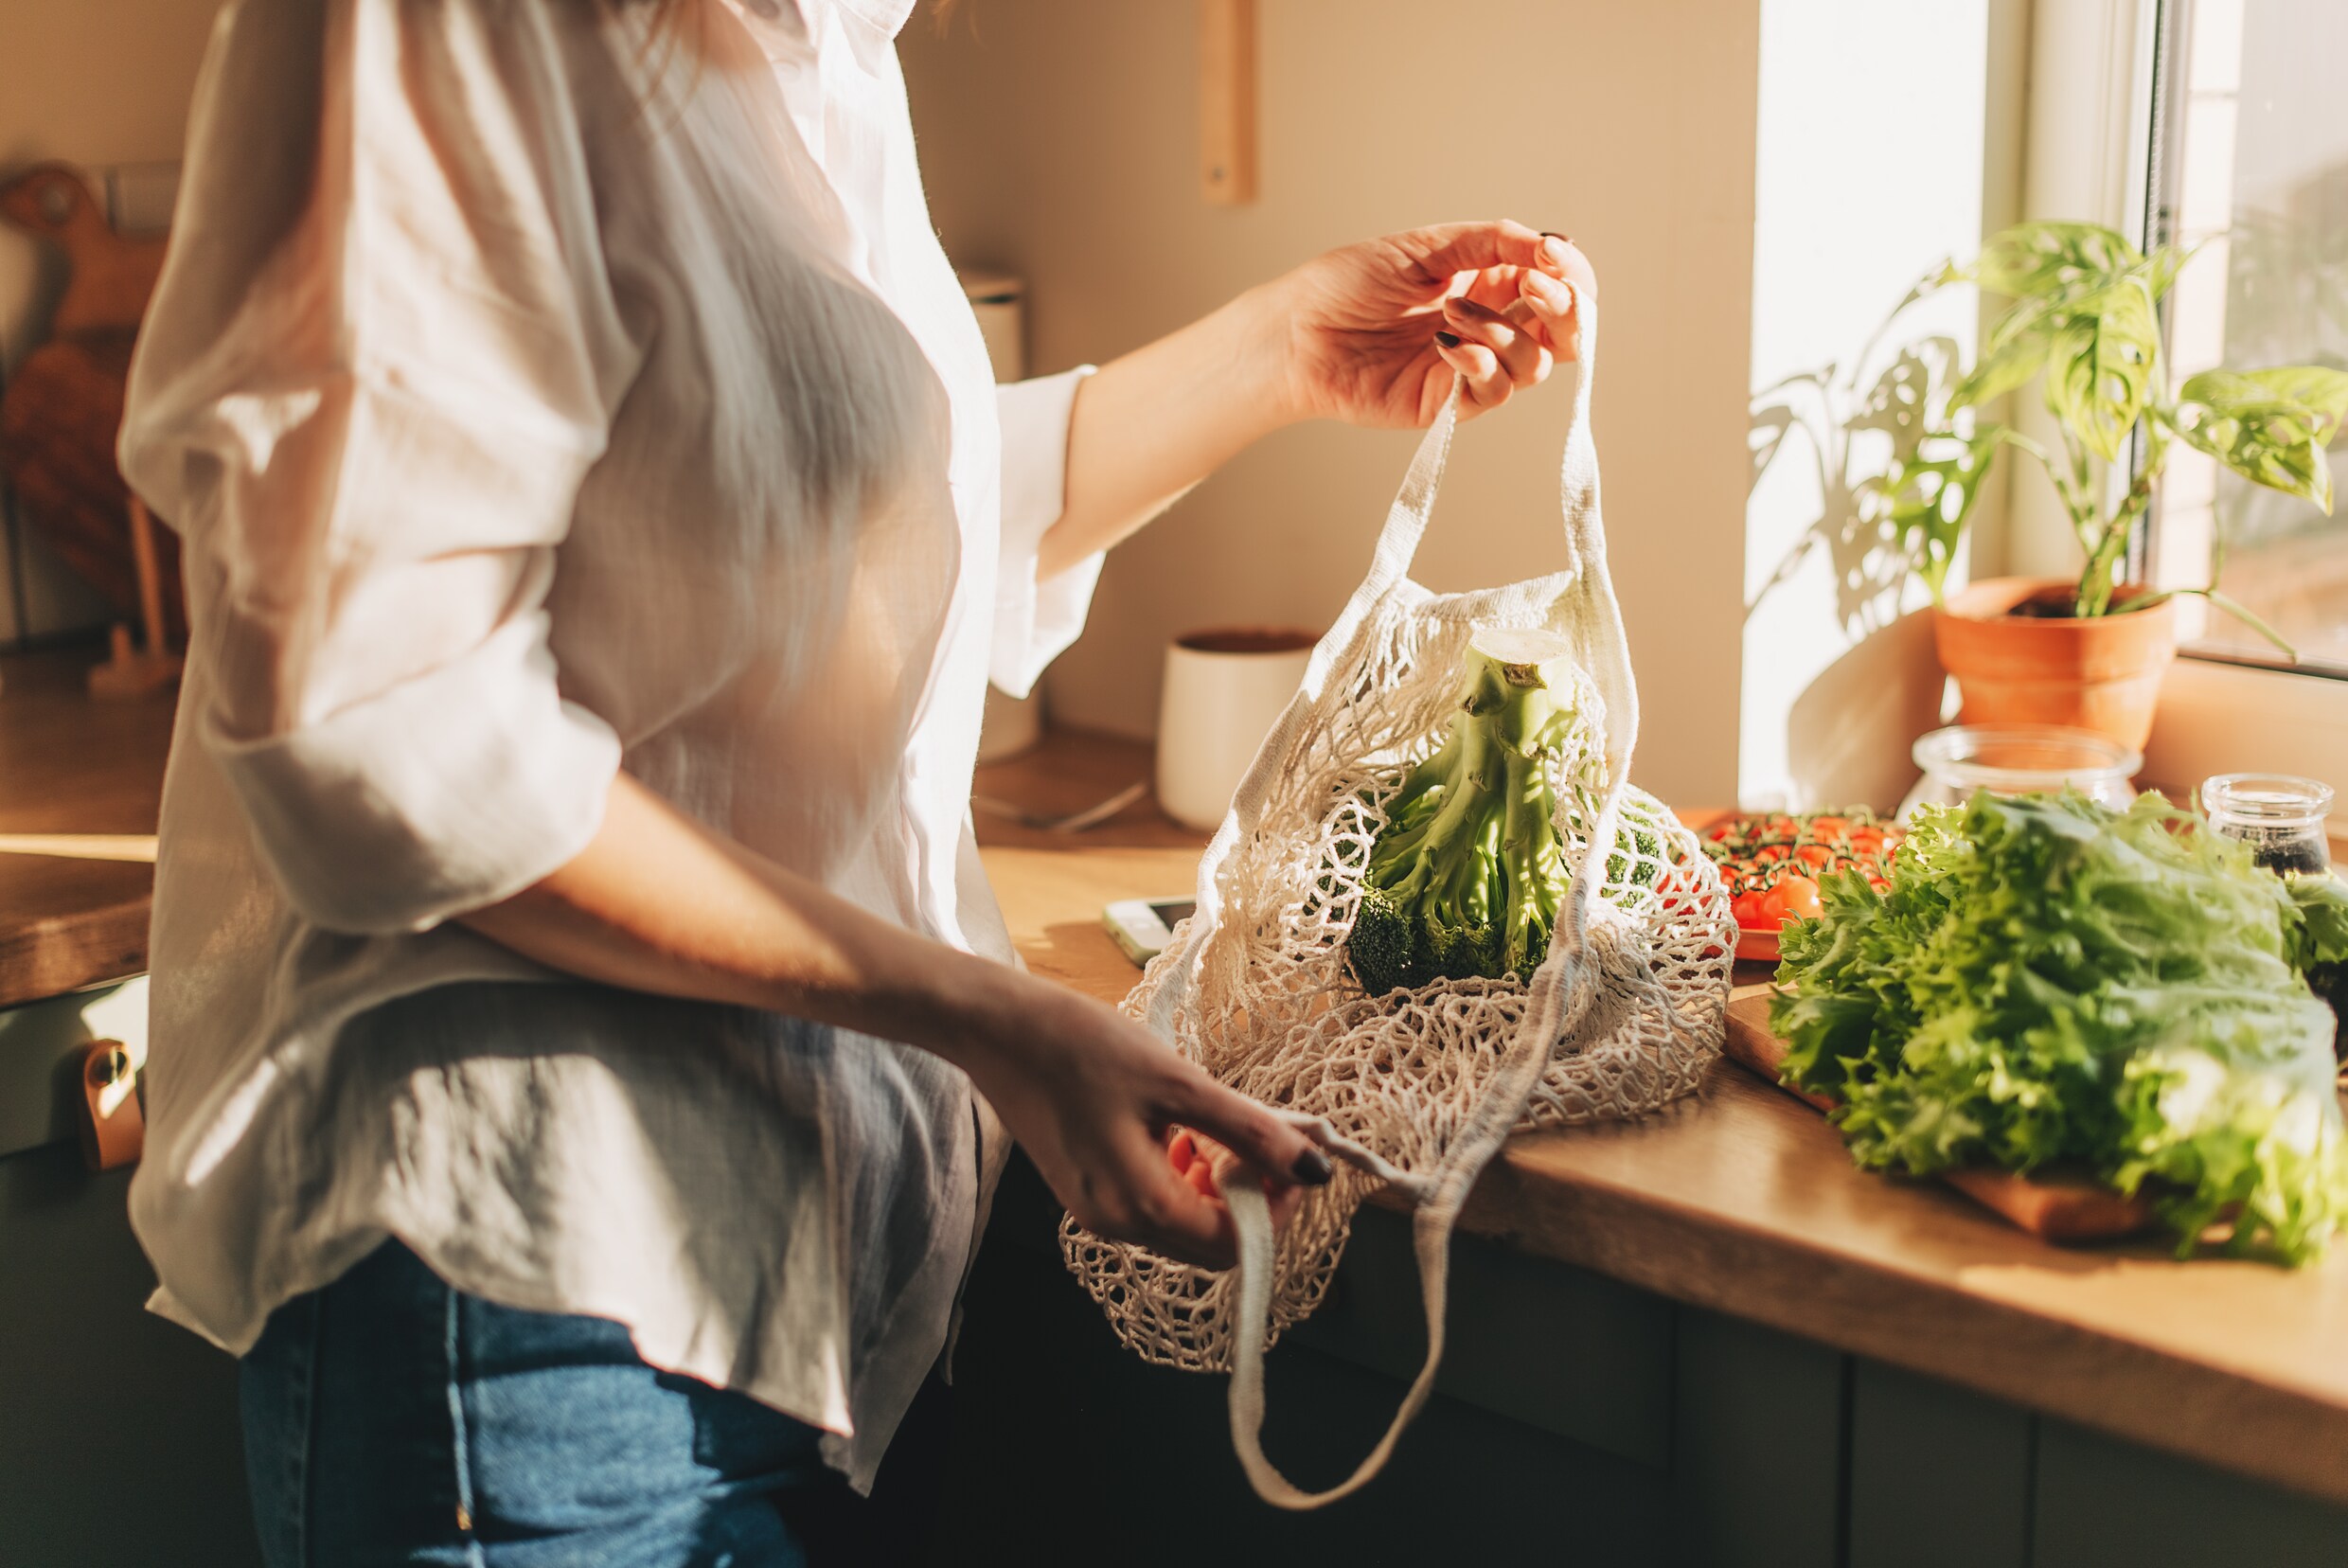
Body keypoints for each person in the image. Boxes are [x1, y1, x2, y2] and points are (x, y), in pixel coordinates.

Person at [117, 0, 1592, 1560]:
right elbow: (382, 729)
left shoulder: (818, 45)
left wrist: (1277, 349)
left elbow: (838, 516)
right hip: (540, 1310)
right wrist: (981, 1011)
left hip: (829, 1300)